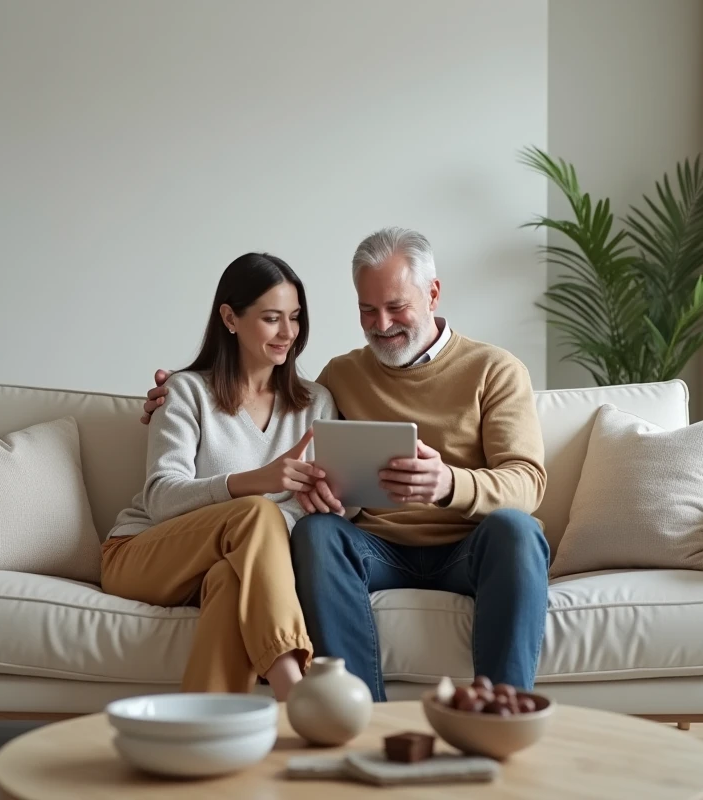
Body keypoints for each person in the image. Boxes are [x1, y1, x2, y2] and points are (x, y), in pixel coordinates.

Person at [141, 227, 550, 702]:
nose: (381, 324)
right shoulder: (340, 377)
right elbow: (268, 410)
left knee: (519, 532)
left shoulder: (495, 370)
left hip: (467, 546)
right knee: (318, 532)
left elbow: (528, 483)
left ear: (433, 293)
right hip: (375, 548)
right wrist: (174, 397)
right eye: (366, 309)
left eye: (396, 307)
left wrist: (449, 483)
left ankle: (502, 708)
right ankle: (358, 716)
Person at [104, 252, 338, 701]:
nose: (288, 332)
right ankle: (294, 690)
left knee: (234, 582)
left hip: (232, 564)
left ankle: (202, 737)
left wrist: (330, 500)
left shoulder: (316, 403)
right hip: (143, 554)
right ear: (230, 317)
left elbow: (322, 502)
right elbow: (160, 498)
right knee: (254, 512)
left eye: (295, 317)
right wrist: (257, 480)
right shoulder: (184, 391)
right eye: (271, 318)